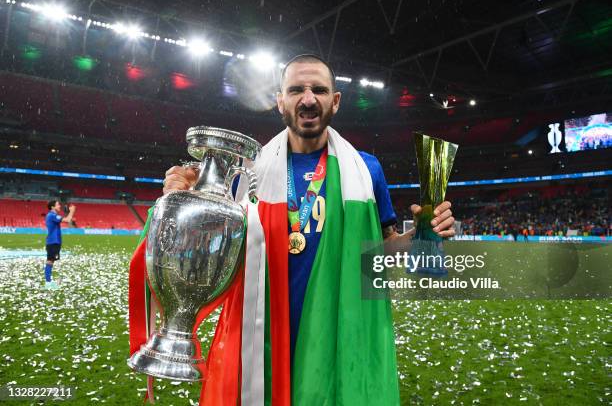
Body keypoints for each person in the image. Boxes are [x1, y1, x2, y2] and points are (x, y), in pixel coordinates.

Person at [159, 54, 455, 405]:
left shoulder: (366, 169)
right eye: (297, 89)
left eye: (319, 89)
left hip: (337, 334)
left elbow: (377, 252)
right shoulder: (244, 173)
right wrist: (188, 200)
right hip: (262, 333)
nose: (309, 98)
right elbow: (211, 253)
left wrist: (418, 237)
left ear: (336, 101)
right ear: (279, 100)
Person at [44, 200, 75, 290]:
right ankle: (48, 283)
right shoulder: (52, 215)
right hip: (53, 242)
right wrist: (72, 211)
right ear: (52, 207)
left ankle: (48, 282)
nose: (59, 206)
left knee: (51, 261)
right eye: (58, 205)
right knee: (50, 261)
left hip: (54, 241)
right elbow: (67, 220)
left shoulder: (52, 216)